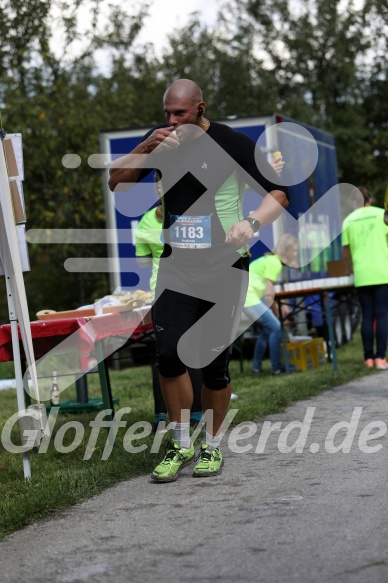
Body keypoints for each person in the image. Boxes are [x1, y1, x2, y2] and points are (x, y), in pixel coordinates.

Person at [109, 78, 289, 482]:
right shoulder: (158, 141)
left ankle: (211, 445)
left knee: (213, 366)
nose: (172, 122)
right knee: (169, 355)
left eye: (181, 114)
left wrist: (251, 221)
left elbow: (279, 194)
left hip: (225, 266)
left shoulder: (233, 143)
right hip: (177, 267)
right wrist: (144, 147)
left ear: (201, 109)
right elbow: (115, 181)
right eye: (167, 114)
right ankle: (180, 444)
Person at [135, 184, 203, 431]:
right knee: (164, 353)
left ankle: (195, 413)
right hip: (161, 290)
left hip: (192, 287)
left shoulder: (191, 212)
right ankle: (161, 416)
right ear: (156, 188)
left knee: (190, 349)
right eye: (159, 182)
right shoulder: (147, 220)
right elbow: (142, 262)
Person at [342, 186, 388, 369]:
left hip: (362, 275)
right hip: (383, 272)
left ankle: (367, 359)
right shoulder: (381, 215)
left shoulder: (348, 221)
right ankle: (381, 358)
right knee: (383, 314)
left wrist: (351, 269)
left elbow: (345, 254)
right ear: (369, 198)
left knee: (367, 316)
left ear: (354, 202)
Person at [244, 235, 298, 374]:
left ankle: (256, 366)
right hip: (248, 298)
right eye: (294, 250)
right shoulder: (275, 263)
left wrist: (283, 307)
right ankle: (277, 367)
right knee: (276, 328)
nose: (296, 254)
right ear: (286, 251)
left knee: (266, 330)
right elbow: (269, 295)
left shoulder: (271, 260)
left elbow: (271, 291)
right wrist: (279, 315)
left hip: (246, 296)